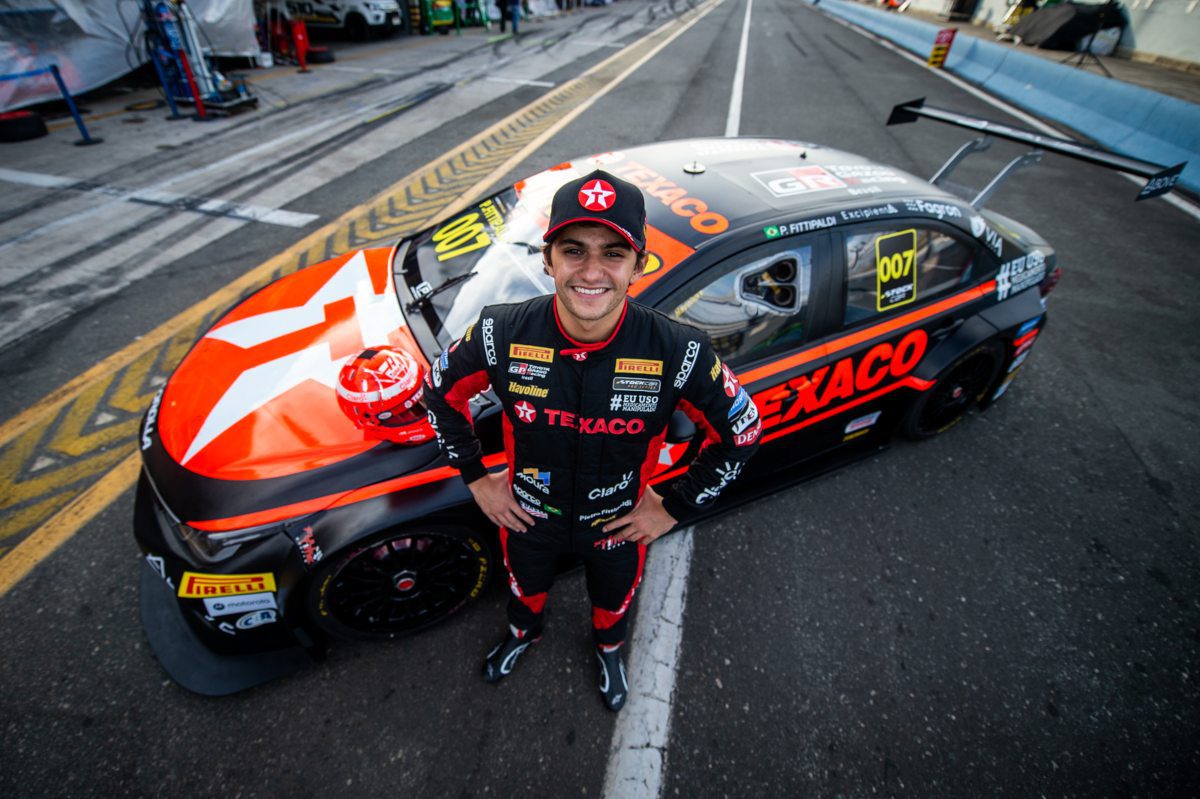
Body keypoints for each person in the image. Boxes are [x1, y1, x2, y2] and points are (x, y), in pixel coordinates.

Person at [422, 169, 761, 711]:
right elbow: (437, 393)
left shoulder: (677, 349)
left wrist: (673, 506)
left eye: (613, 253)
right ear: (548, 259)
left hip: (618, 524)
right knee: (523, 588)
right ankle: (523, 633)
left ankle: (607, 649)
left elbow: (743, 430)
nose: (592, 271)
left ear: (638, 266)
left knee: (613, 599)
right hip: (527, 516)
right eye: (574, 250)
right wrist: (478, 481)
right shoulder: (499, 331)